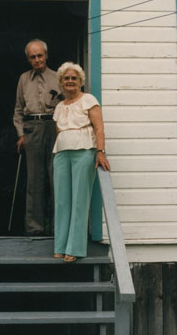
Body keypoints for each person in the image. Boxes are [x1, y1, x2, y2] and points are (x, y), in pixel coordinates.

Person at [53, 62, 111, 262]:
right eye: (66, 78)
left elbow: (99, 128)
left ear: (80, 81)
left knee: (79, 199)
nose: (70, 81)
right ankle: (60, 245)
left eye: (74, 78)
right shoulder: (60, 106)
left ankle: (75, 248)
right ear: (61, 82)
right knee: (62, 200)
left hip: (84, 151)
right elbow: (59, 131)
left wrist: (100, 152)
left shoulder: (88, 100)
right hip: (61, 153)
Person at [13, 39, 62, 236]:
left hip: (54, 127)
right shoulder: (23, 79)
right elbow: (17, 110)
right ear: (28, 59)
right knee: (34, 180)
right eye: (32, 57)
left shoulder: (59, 77)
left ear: (46, 56)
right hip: (32, 128)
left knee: (56, 177)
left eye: (40, 55)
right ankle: (35, 228)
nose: (37, 60)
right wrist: (20, 134)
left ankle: (58, 226)